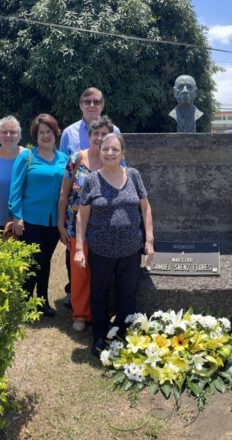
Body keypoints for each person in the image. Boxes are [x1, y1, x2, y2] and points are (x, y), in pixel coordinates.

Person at [74, 133, 154, 357]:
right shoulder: (91, 180)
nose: (110, 153)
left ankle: (123, 333)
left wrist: (149, 240)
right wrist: (80, 248)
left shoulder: (134, 176)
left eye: (115, 149)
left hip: (131, 249)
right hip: (101, 250)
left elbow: (146, 209)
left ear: (123, 153)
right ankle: (99, 335)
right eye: (105, 149)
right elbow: (82, 216)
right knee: (99, 293)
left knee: (127, 294)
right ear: (100, 152)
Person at [59, 86, 120, 309]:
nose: (92, 105)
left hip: (104, 213)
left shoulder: (115, 130)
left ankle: (98, 303)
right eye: (87, 101)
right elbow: (63, 167)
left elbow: (121, 167)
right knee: (75, 254)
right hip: (75, 209)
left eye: (96, 101)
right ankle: (73, 293)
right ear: (81, 104)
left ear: (102, 105)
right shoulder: (69, 133)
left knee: (101, 260)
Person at [9, 114, 69, 317]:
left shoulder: (64, 159)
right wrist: (17, 216)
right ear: (35, 135)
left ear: (55, 133)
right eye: (41, 132)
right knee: (33, 262)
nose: (46, 136)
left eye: (49, 132)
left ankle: (42, 302)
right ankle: (25, 303)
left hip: (54, 222)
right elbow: (15, 189)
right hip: (30, 221)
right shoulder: (26, 157)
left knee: (45, 261)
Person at [58, 117, 113, 332]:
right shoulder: (76, 158)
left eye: (104, 134)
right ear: (89, 136)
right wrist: (61, 225)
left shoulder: (114, 159)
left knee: (103, 273)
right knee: (79, 272)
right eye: (95, 134)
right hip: (76, 227)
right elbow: (64, 194)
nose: (99, 138)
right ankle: (80, 313)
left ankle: (103, 311)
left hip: (105, 229)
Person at [0, 116, 24, 230]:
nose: (8, 135)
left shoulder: (28, 156)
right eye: (4, 132)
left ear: (19, 136)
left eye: (13, 132)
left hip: (20, 220)